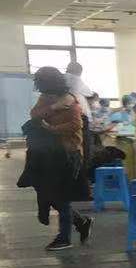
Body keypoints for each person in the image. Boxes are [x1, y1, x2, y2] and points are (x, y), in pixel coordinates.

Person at [17, 66, 92, 251]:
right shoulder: (46, 98)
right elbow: (34, 114)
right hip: (49, 153)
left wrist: (52, 129)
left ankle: (64, 238)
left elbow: (76, 125)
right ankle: (80, 222)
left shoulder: (70, 100)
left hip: (68, 154)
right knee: (46, 191)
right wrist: (53, 108)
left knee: (60, 195)